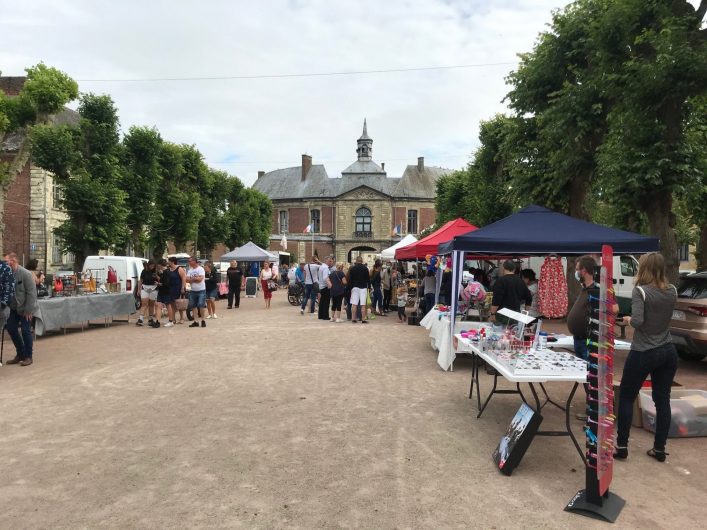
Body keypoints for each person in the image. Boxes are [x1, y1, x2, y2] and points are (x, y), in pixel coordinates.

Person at [615, 253, 678, 463]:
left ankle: (622, 446)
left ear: (643, 268)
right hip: (667, 349)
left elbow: (638, 321)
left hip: (644, 350)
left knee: (626, 396)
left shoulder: (640, 291)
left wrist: (627, 319)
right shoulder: (672, 291)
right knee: (663, 399)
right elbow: (662, 318)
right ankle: (659, 448)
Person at [4, 253, 37, 366]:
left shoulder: (26, 274)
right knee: (11, 328)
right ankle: (20, 354)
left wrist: (28, 310)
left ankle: (28, 356)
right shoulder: (6, 274)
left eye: (7, 261)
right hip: (13, 307)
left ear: (14, 261)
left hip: (25, 307)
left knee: (25, 330)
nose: (5, 264)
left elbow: (32, 293)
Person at [489, 260, 533, 325]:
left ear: (503, 268)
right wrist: (525, 313)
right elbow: (529, 297)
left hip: (502, 315)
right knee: (512, 333)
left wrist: (492, 314)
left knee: (500, 334)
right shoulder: (520, 281)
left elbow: (496, 300)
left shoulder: (500, 281)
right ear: (514, 269)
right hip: (516, 315)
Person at [347, 256, 370, 324]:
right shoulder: (365, 268)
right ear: (362, 260)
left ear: (356, 261)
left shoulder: (353, 268)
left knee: (354, 304)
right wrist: (369, 287)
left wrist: (350, 288)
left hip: (355, 287)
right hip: (363, 287)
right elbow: (368, 279)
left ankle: (353, 318)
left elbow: (350, 280)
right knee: (363, 305)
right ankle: (363, 319)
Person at [137, 259, 159, 327]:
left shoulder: (156, 271)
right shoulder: (144, 271)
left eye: (153, 266)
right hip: (145, 287)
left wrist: (157, 276)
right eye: (151, 265)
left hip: (154, 288)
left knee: (151, 304)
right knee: (144, 303)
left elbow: (160, 279)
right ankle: (140, 319)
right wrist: (139, 289)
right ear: (148, 265)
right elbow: (141, 281)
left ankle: (150, 318)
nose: (152, 267)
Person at [186, 256, 207, 327]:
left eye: (190, 261)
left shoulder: (200, 269)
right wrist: (195, 278)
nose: (189, 262)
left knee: (201, 305)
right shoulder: (190, 270)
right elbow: (187, 280)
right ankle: (196, 321)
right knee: (193, 306)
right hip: (192, 291)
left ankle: (203, 320)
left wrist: (192, 279)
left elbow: (200, 279)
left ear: (194, 261)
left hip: (201, 290)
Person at [155, 259, 175, 327]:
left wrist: (158, 283)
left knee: (168, 305)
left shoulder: (167, 272)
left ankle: (171, 321)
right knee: (158, 305)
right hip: (161, 291)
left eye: (158, 265)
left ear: (160, 265)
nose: (158, 267)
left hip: (166, 291)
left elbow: (166, 283)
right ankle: (157, 321)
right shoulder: (164, 272)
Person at [167, 257, 187, 324]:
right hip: (170, 289)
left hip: (178, 288)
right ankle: (173, 319)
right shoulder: (169, 269)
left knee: (179, 304)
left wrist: (182, 287)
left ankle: (181, 318)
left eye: (169, 261)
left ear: (172, 262)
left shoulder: (179, 269)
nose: (168, 262)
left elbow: (184, 278)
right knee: (172, 304)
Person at [317, 256, 333, 320]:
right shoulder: (326, 268)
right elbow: (325, 277)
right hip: (325, 287)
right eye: (329, 261)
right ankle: (325, 316)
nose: (331, 262)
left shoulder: (321, 267)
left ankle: (320, 315)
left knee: (322, 302)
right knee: (326, 302)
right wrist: (330, 285)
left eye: (331, 261)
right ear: (326, 261)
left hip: (321, 286)